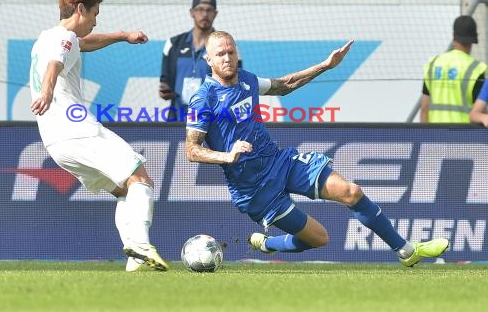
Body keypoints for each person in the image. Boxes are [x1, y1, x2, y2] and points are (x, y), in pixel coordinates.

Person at [185, 30, 449, 266]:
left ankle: (406, 250)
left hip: (280, 163)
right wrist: (227, 156)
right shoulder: (203, 99)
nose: (227, 57)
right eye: (220, 53)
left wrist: (325, 65)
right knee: (320, 238)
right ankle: (268, 244)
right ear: (208, 60)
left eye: (231, 51)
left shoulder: (247, 80)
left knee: (351, 191)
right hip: (254, 191)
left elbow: (284, 85)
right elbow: (192, 150)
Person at [29, 0, 169, 272]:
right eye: (94, 14)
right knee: (140, 180)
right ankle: (141, 244)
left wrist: (123, 36)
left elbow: (81, 45)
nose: (95, 21)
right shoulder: (64, 38)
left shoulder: (48, 37)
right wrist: (46, 92)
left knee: (123, 191)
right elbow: (55, 64)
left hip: (55, 142)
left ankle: (135, 262)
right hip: (77, 129)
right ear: (80, 9)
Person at [159, 0, 217, 119]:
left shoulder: (224, 46)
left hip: (210, 120)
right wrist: (165, 90)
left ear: (215, 14)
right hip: (177, 117)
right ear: (192, 12)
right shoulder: (173, 44)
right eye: (200, 9)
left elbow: (233, 84)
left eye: (209, 10)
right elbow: (165, 81)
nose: (205, 14)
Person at [421, 15, 487, 123]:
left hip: (434, 136)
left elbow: (424, 108)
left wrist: (423, 136)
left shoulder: (433, 64)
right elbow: (480, 111)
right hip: (464, 136)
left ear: (453, 36)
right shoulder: (476, 69)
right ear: (472, 40)